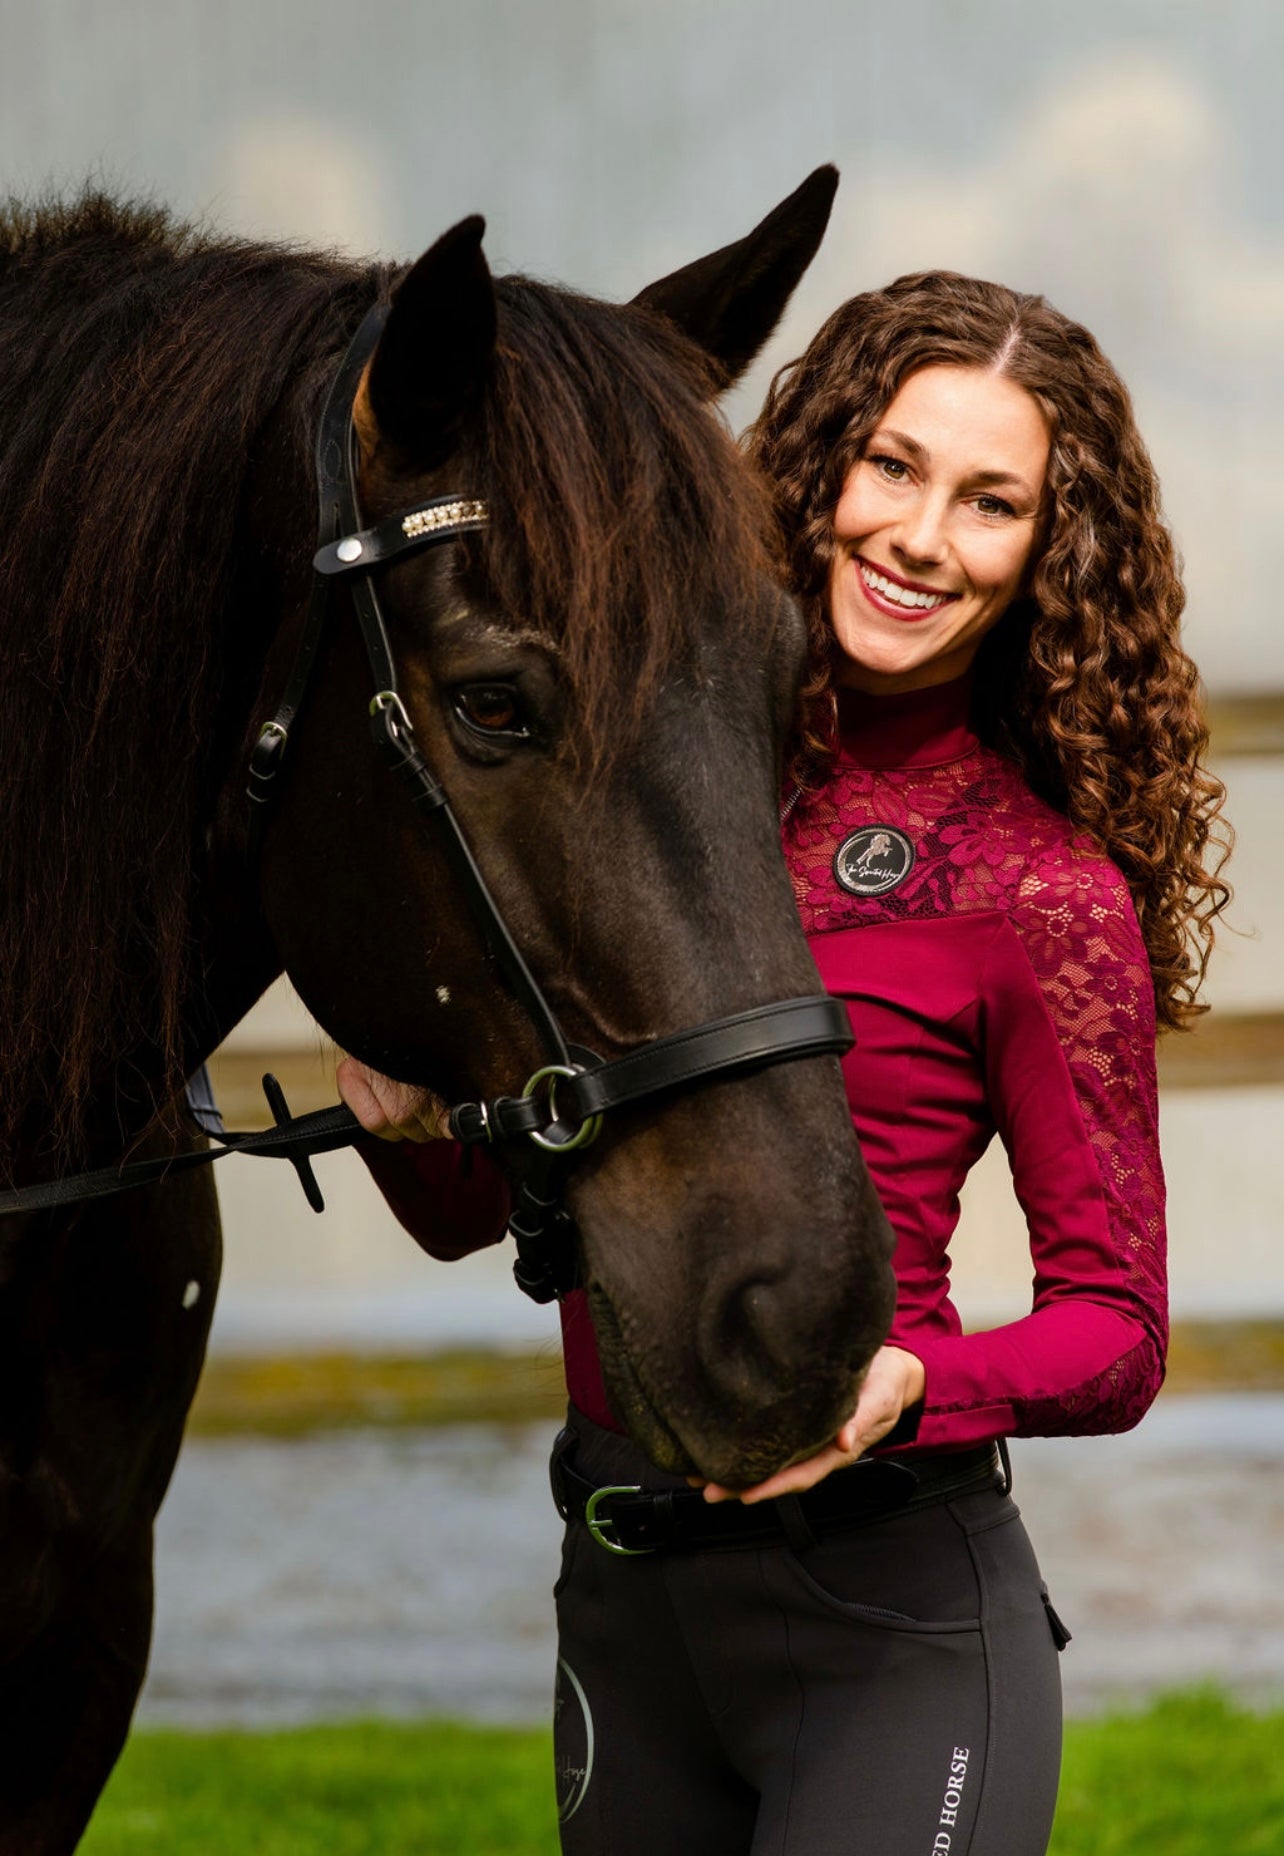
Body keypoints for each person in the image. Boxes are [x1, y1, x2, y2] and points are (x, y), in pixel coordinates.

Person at [338, 270, 1230, 1855]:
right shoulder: (648, 808)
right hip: (623, 1610)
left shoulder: (1040, 892)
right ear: (821, 466)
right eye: (894, 466)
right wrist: (404, 1117)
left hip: (890, 1624)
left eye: (991, 503)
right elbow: (481, 1212)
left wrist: (910, 1383)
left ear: (1043, 561)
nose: (920, 536)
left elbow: (1118, 1334)